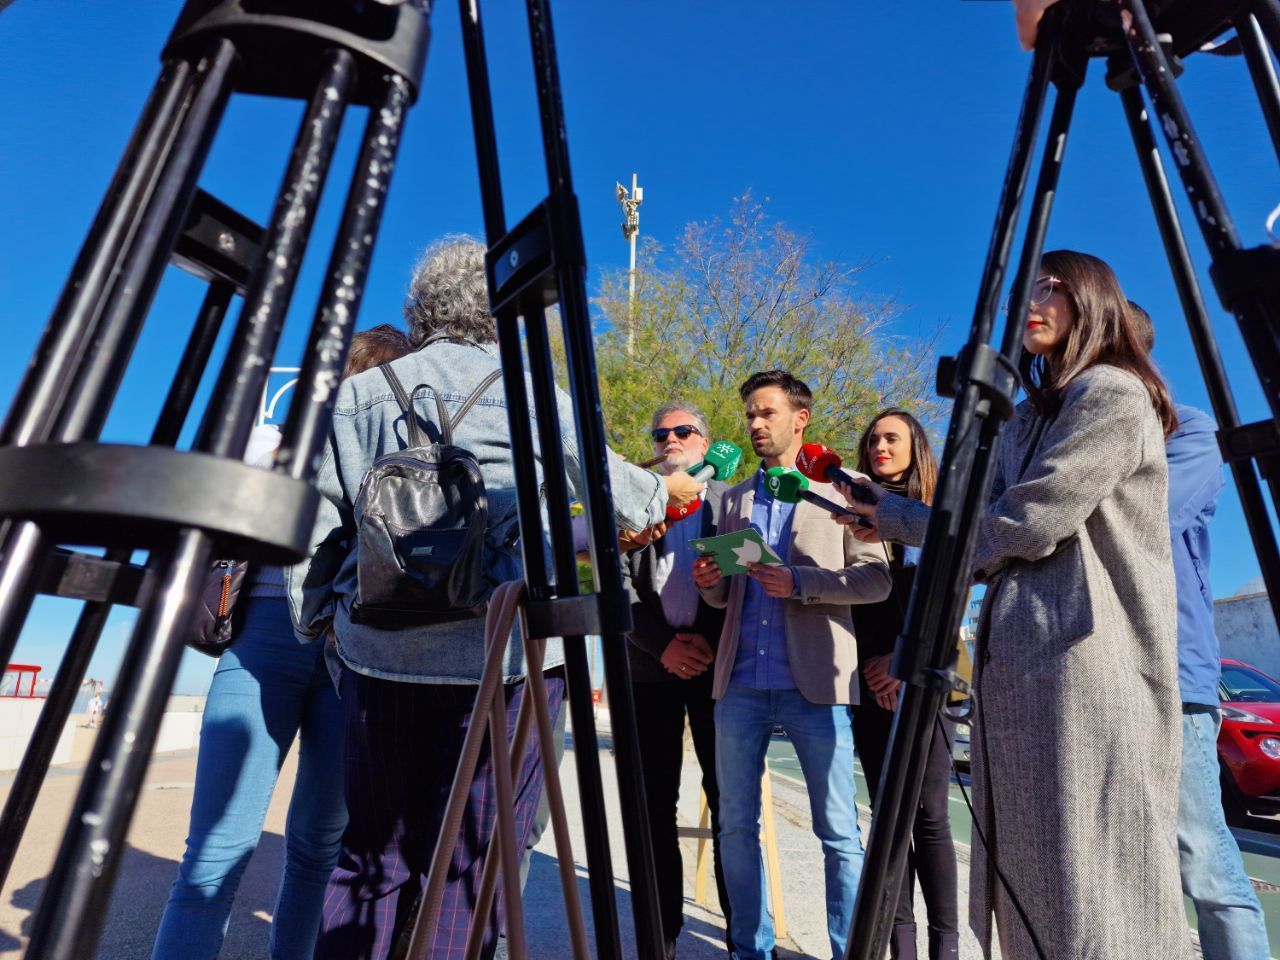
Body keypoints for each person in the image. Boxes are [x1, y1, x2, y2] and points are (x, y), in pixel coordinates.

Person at [289, 237, 702, 960]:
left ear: (420, 310)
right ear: (504, 313)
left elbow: (314, 530)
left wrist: (321, 628)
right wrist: (668, 488)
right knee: (468, 866)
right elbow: (628, 502)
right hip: (500, 660)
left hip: (379, 654)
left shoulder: (357, 396)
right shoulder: (536, 393)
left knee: (369, 858)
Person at [835, 251, 1189, 960]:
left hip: (1088, 666)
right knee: (1033, 879)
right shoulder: (1028, 416)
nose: (1031, 300)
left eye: (1050, 286)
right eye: (1025, 288)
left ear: (1093, 299)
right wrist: (891, 512)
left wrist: (904, 520)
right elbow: (977, 516)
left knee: (1093, 884)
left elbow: (1026, 522)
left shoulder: (1113, 392)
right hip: (1024, 669)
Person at [152, 324, 413, 960]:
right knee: (229, 851)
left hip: (336, 647)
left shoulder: (393, 460)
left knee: (308, 849)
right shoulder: (280, 444)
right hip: (281, 641)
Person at [692, 369, 891, 960]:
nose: (755, 423)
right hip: (740, 685)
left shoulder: (844, 491)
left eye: (767, 412)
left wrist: (800, 581)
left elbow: (877, 580)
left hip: (818, 686)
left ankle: (849, 951)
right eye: (750, 414)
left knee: (839, 833)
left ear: (800, 419)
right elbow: (722, 598)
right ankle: (749, 950)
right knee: (735, 827)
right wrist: (708, 580)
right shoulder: (733, 498)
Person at [1130, 302, 1270, 959]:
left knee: (1202, 857)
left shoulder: (1187, 429)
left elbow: (1143, 522)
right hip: (1094, 668)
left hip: (1172, 675)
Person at [623, 400, 733, 959]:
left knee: (730, 805)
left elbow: (749, 581)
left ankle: (743, 937)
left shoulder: (732, 504)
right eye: (660, 433)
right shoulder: (632, 503)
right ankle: (658, 935)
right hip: (648, 669)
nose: (670, 439)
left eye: (683, 431)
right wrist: (662, 646)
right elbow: (614, 584)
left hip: (718, 671)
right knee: (650, 807)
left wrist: (707, 642)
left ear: (704, 442)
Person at [848, 409, 958, 960]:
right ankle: (901, 947)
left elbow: (948, 601)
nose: (880, 447)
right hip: (870, 680)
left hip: (925, 677)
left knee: (930, 816)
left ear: (917, 446)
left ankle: (946, 948)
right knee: (887, 818)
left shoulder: (937, 513)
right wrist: (875, 667)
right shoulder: (850, 511)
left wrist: (902, 660)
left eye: (892, 438)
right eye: (873, 439)